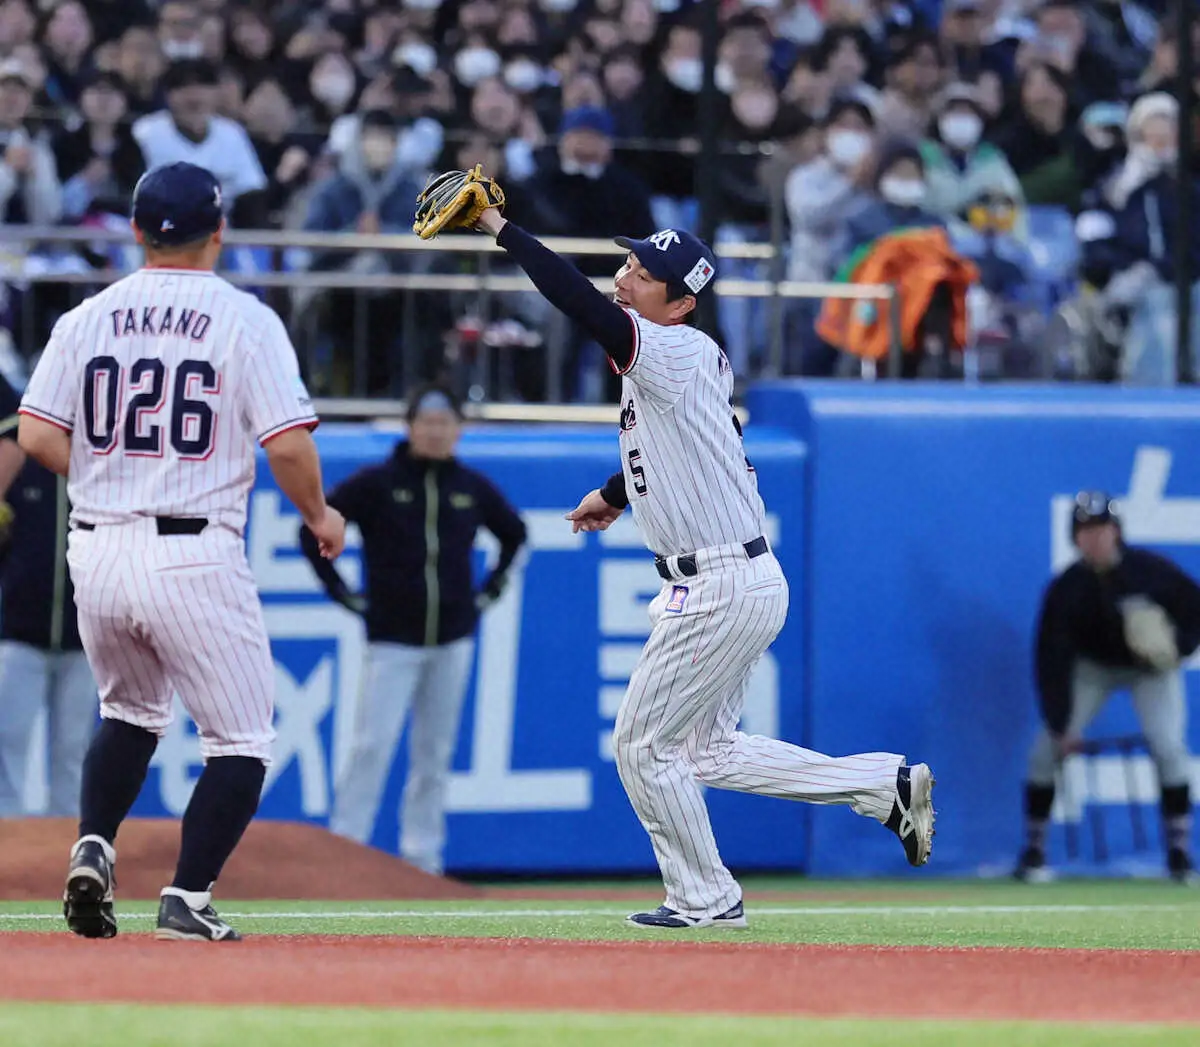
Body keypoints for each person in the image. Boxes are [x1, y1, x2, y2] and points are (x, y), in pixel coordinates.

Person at [465, 181, 936, 929]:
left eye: (644, 276)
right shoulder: (693, 357)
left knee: (642, 745)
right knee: (707, 752)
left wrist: (501, 226)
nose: (624, 277)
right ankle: (883, 785)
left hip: (716, 583)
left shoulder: (672, 348)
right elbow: (690, 448)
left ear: (680, 304)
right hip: (737, 574)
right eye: (630, 265)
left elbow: (579, 308)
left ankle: (706, 895)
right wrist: (618, 493)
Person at [16, 161, 346, 942]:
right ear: (219, 231)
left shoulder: (88, 315)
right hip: (192, 546)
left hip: (95, 545)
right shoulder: (243, 317)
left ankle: (93, 843)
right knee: (240, 740)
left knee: (128, 712)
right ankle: (187, 898)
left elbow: (34, 434)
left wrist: (110, 469)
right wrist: (320, 515)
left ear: (135, 230)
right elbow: (290, 445)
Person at [299, 385, 526, 874]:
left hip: (452, 638)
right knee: (372, 743)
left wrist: (489, 591)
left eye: (445, 423)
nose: (436, 431)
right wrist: (343, 592)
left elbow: (514, 533)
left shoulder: (470, 486)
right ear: (410, 427)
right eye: (427, 422)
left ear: (459, 430)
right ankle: (347, 849)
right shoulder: (377, 483)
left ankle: (422, 857)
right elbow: (315, 525)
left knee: (435, 752)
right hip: (392, 638)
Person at [1016, 492, 1200, 884]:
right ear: (1075, 538)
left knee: (1169, 746)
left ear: (1117, 532)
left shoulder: (1151, 572)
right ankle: (1034, 852)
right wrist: (1061, 722)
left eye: (1102, 528)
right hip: (1092, 668)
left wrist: (1179, 645)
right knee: (1045, 749)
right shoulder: (1067, 589)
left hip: (1149, 669)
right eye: (1085, 530)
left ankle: (1180, 854)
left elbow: (1194, 608)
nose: (1094, 537)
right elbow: (1051, 659)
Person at [0, 426, 97, 818]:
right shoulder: (18, 460)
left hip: (84, 638)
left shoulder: (99, 465)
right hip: (19, 634)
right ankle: (8, 852)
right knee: (8, 743)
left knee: (73, 752)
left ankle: (70, 855)